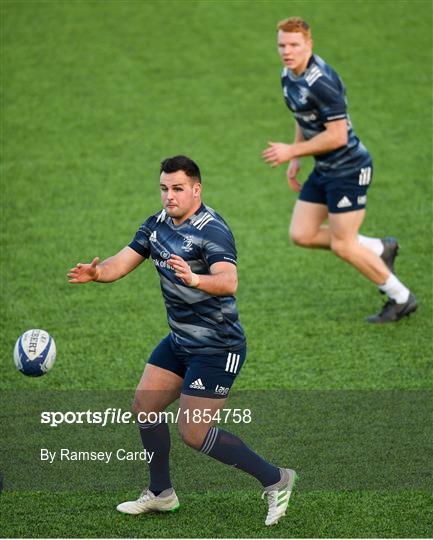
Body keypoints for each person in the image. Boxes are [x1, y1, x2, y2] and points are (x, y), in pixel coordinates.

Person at [67, 155, 297, 526]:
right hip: (180, 341)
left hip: (218, 347)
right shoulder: (156, 225)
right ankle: (161, 493)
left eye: (177, 189)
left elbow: (228, 281)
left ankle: (276, 479)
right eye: (163, 189)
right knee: (144, 406)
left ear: (196, 189)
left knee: (193, 431)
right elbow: (121, 262)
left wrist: (195, 280)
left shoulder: (213, 230)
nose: (168, 196)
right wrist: (97, 273)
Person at [262, 17, 417, 323]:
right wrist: (297, 158)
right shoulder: (288, 74)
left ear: (309, 44)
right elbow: (301, 115)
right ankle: (379, 247)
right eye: (282, 45)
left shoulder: (321, 82)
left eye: (294, 45)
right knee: (302, 234)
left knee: (343, 244)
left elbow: (337, 136)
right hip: (324, 166)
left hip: (349, 168)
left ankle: (401, 297)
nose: (286, 51)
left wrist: (291, 150)